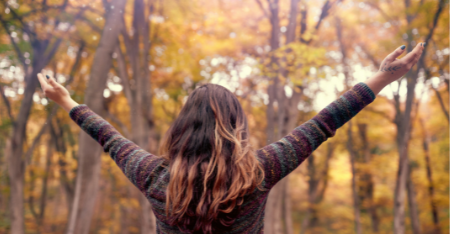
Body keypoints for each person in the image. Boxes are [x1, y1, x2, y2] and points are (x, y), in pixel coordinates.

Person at [37, 43, 424, 233]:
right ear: (237, 126)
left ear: (181, 128)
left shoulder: (155, 177)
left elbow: (107, 136)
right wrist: (384, 77)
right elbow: (325, 122)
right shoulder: (260, 171)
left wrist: (66, 99)